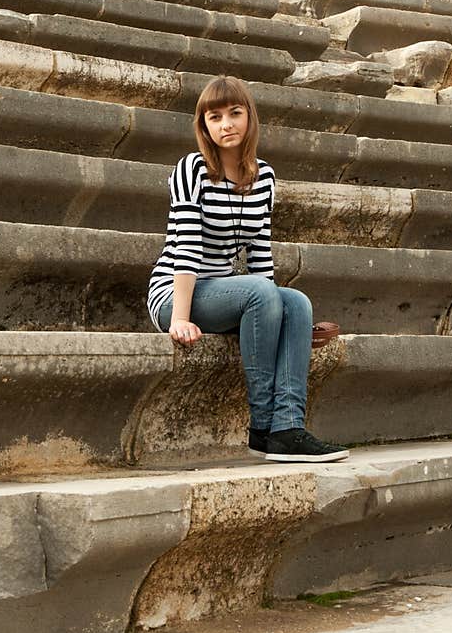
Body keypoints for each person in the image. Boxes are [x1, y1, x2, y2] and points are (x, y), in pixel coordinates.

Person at [147, 75, 349, 463]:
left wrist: (284, 318)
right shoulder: (191, 170)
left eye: (235, 113)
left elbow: (259, 252)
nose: (226, 124)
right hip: (176, 294)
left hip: (230, 293)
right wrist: (181, 318)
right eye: (215, 117)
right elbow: (186, 248)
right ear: (204, 126)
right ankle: (261, 425)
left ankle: (288, 428)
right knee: (260, 292)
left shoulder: (265, 177)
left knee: (298, 303)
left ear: (249, 117)